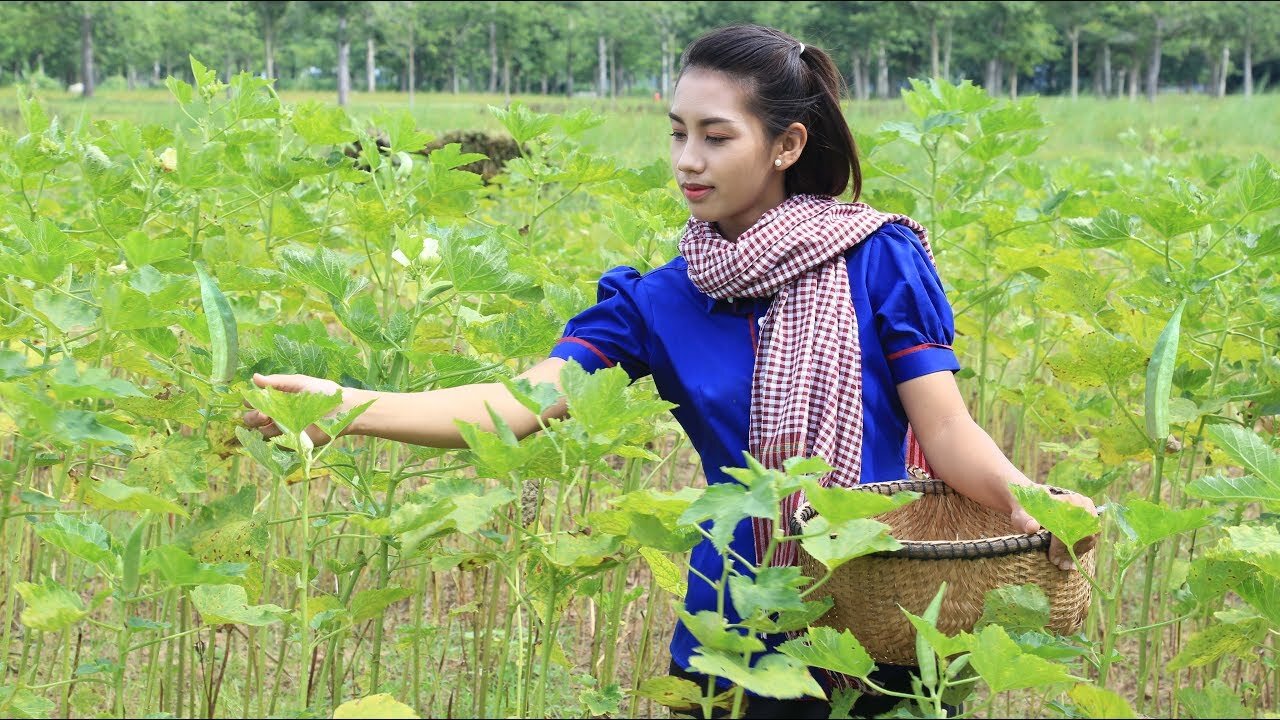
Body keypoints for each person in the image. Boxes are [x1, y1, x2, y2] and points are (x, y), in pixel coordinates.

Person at [244, 24, 1098, 720]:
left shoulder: (877, 260)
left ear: (787, 143)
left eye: (716, 136)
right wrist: (348, 405)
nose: (688, 160)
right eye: (678, 134)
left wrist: (1035, 501)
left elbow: (946, 431)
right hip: (734, 630)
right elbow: (515, 404)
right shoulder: (658, 300)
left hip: (877, 622)